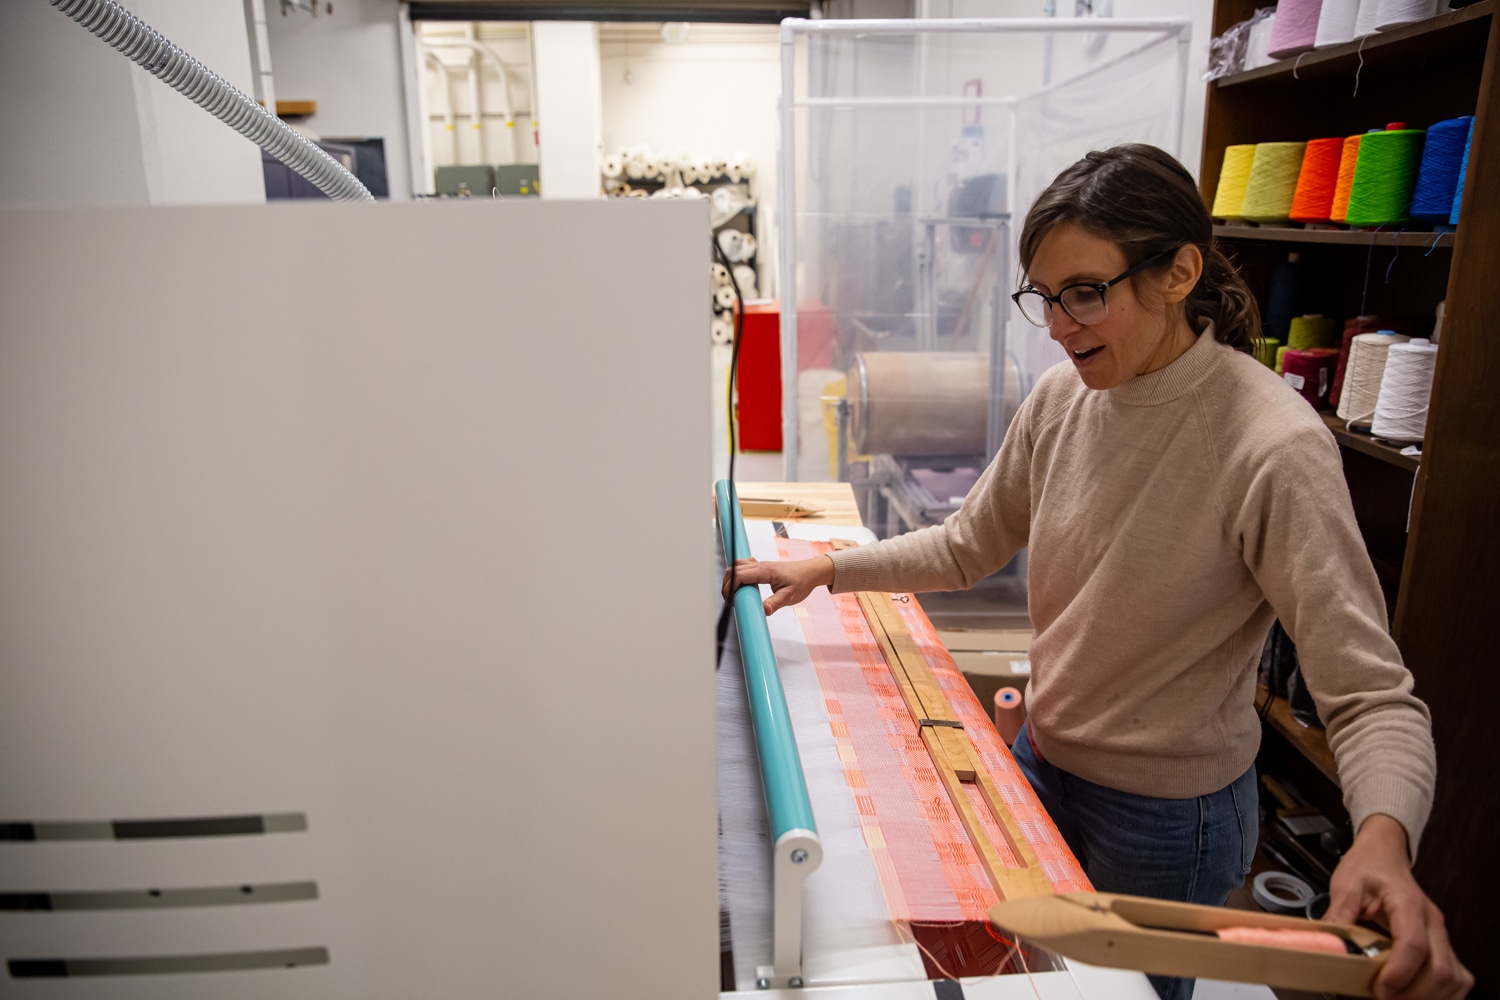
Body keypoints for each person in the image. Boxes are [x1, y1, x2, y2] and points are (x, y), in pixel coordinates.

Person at [726, 144, 1471, 1000]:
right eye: (1044, 297)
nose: (1059, 325)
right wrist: (827, 568)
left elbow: (1372, 694)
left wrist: (1383, 840)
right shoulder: (1061, 401)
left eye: (1085, 292)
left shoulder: (1274, 447)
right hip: (1044, 759)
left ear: (1179, 273)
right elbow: (968, 546)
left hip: (1169, 823)